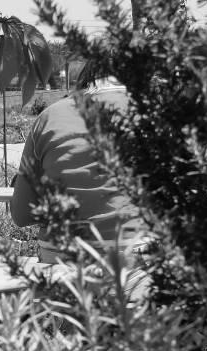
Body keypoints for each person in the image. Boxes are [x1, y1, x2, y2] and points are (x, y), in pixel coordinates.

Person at [10, 69, 152, 301]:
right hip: (133, 262)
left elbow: (21, 214)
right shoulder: (151, 115)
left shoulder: (49, 117)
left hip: (61, 264)